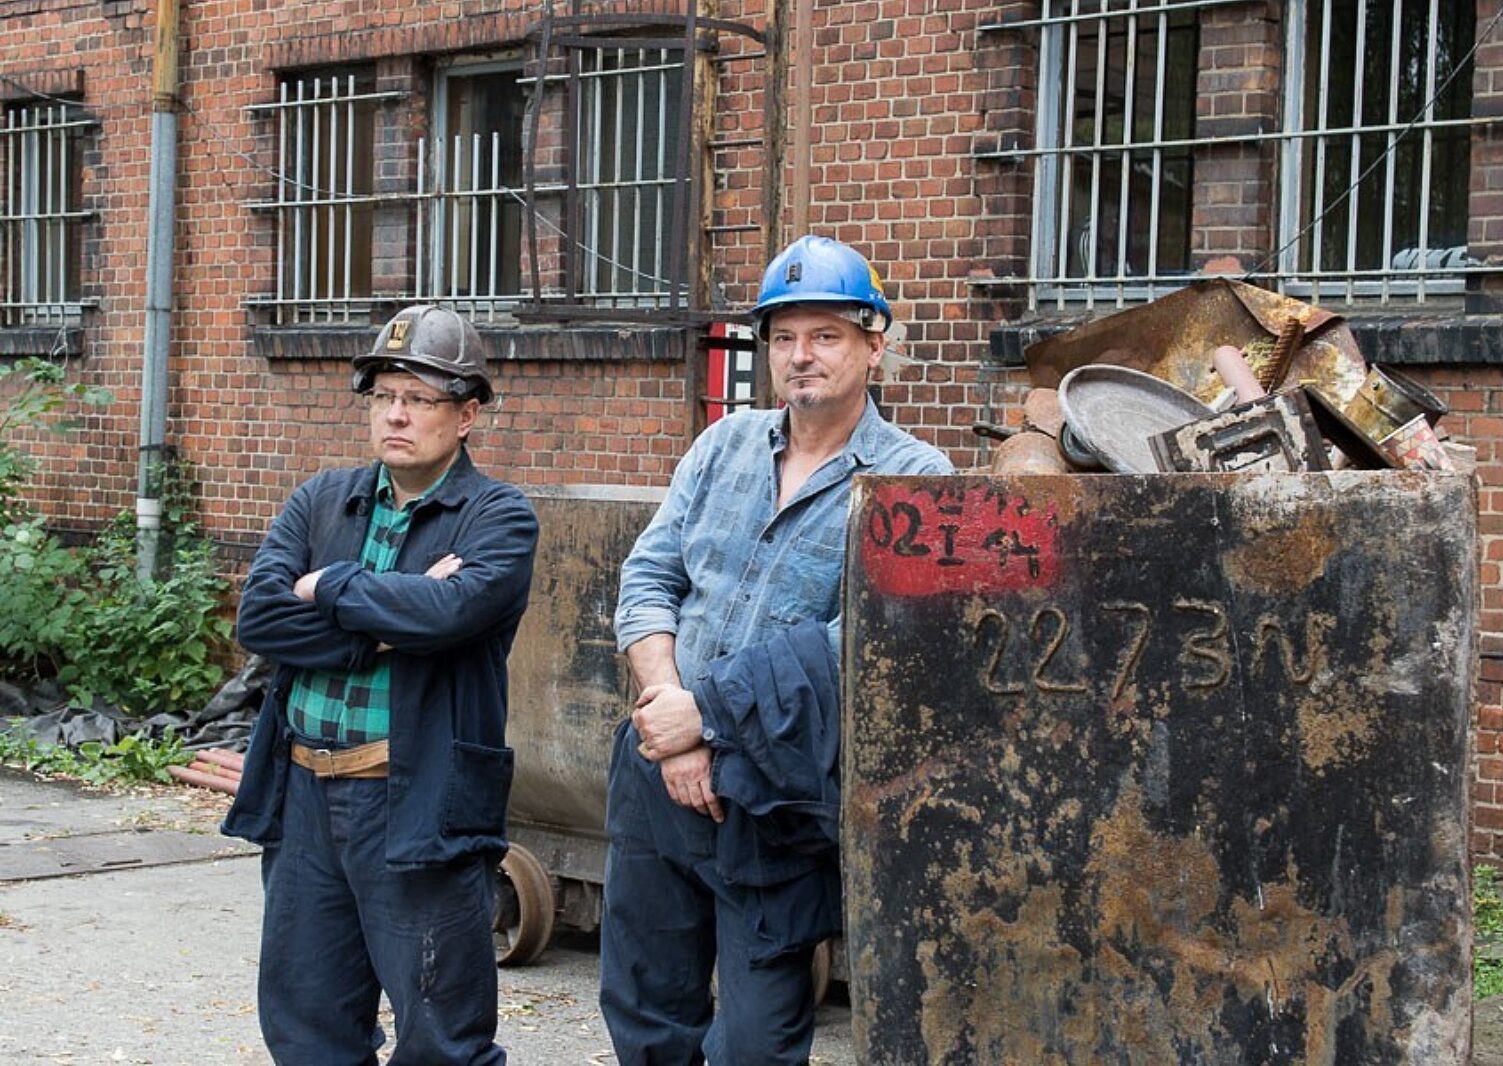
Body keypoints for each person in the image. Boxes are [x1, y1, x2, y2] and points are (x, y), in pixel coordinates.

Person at [600, 235, 954, 1064]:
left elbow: (867, 637)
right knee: (646, 1010)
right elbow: (648, 578)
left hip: (776, 793)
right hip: (656, 768)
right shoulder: (722, 445)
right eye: (784, 336)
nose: (801, 356)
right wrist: (669, 718)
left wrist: (707, 718)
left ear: (874, 344)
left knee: (758, 1041)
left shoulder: (913, 480)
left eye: (826, 335)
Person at [221, 304, 538, 1065]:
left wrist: (326, 585)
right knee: (308, 1026)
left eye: (419, 398)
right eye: (384, 395)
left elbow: (452, 612)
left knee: (440, 1037)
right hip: (303, 795)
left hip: (414, 799)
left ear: (466, 415)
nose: (396, 414)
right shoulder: (321, 500)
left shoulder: (498, 517)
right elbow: (260, 618)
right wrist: (389, 620)